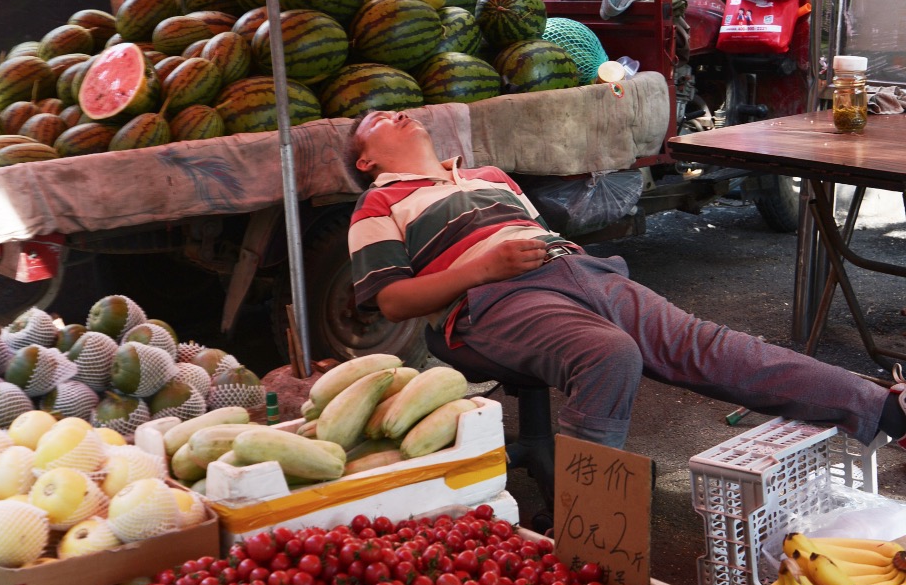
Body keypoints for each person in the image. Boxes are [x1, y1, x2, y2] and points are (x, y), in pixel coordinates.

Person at [347, 109, 906, 457]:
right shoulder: (379, 203)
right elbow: (392, 302)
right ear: (366, 160)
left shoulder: (488, 176)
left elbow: (537, 237)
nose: (398, 113)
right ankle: (587, 528)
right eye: (378, 119)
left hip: (580, 270)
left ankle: (886, 411)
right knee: (609, 354)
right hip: (492, 299)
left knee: (710, 345)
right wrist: (483, 269)